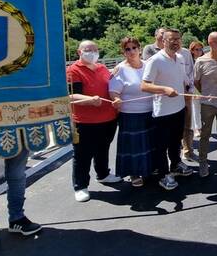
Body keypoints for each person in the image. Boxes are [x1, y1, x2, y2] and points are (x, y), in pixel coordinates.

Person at [67, 40, 122, 202]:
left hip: (108, 118)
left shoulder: (102, 68)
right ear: (79, 52)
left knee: (103, 148)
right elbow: (71, 96)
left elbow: (111, 84)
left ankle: (103, 174)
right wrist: (89, 99)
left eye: (95, 50)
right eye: (88, 50)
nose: (92, 52)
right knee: (82, 155)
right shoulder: (73, 71)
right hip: (85, 121)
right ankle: (80, 186)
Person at [141, 28, 194, 191]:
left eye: (178, 39)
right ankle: (163, 175)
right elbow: (144, 85)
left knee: (175, 141)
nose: (176, 41)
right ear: (163, 41)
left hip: (179, 108)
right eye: (172, 39)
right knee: (161, 145)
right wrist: (164, 90)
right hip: (163, 112)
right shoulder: (155, 60)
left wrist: (191, 88)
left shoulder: (179, 58)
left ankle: (176, 165)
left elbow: (184, 78)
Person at [109, 37, 155, 187]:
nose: (132, 51)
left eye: (134, 47)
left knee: (149, 143)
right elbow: (113, 91)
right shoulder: (120, 69)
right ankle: (134, 173)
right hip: (131, 114)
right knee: (133, 146)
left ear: (139, 49)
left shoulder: (148, 65)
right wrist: (116, 99)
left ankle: (149, 168)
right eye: (127, 49)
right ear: (123, 52)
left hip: (151, 111)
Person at [194, 32, 217, 177]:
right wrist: (205, 92)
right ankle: (203, 162)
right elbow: (196, 81)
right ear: (210, 43)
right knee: (205, 134)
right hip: (207, 105)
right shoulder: (201, 61)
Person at [188, 41, 204, 139]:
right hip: (194, 88)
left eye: (200, 49)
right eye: (196, 49)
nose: (198, 51)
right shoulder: (190, 61)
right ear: (192, 51)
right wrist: (193, 89)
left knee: (204, 109)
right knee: (195, 108)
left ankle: (202, 126)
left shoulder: (204, 59)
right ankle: (197, 128)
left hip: (205, 87)